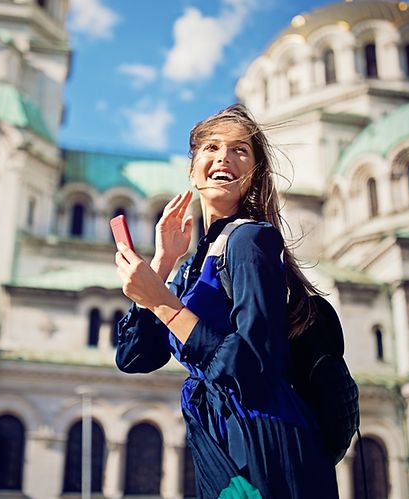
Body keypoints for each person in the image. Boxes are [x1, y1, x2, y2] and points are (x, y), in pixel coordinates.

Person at [114, 104, 339, 498]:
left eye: (240, 150)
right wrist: (164, 262)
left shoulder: (250, 240)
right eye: (211, 147)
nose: (223, 158)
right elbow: (135, 357)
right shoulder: (190, 267)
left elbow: (252, 363)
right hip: (219, 440)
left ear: (253, 173)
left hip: (263, 439)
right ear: (191, 168)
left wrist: (162, 302)